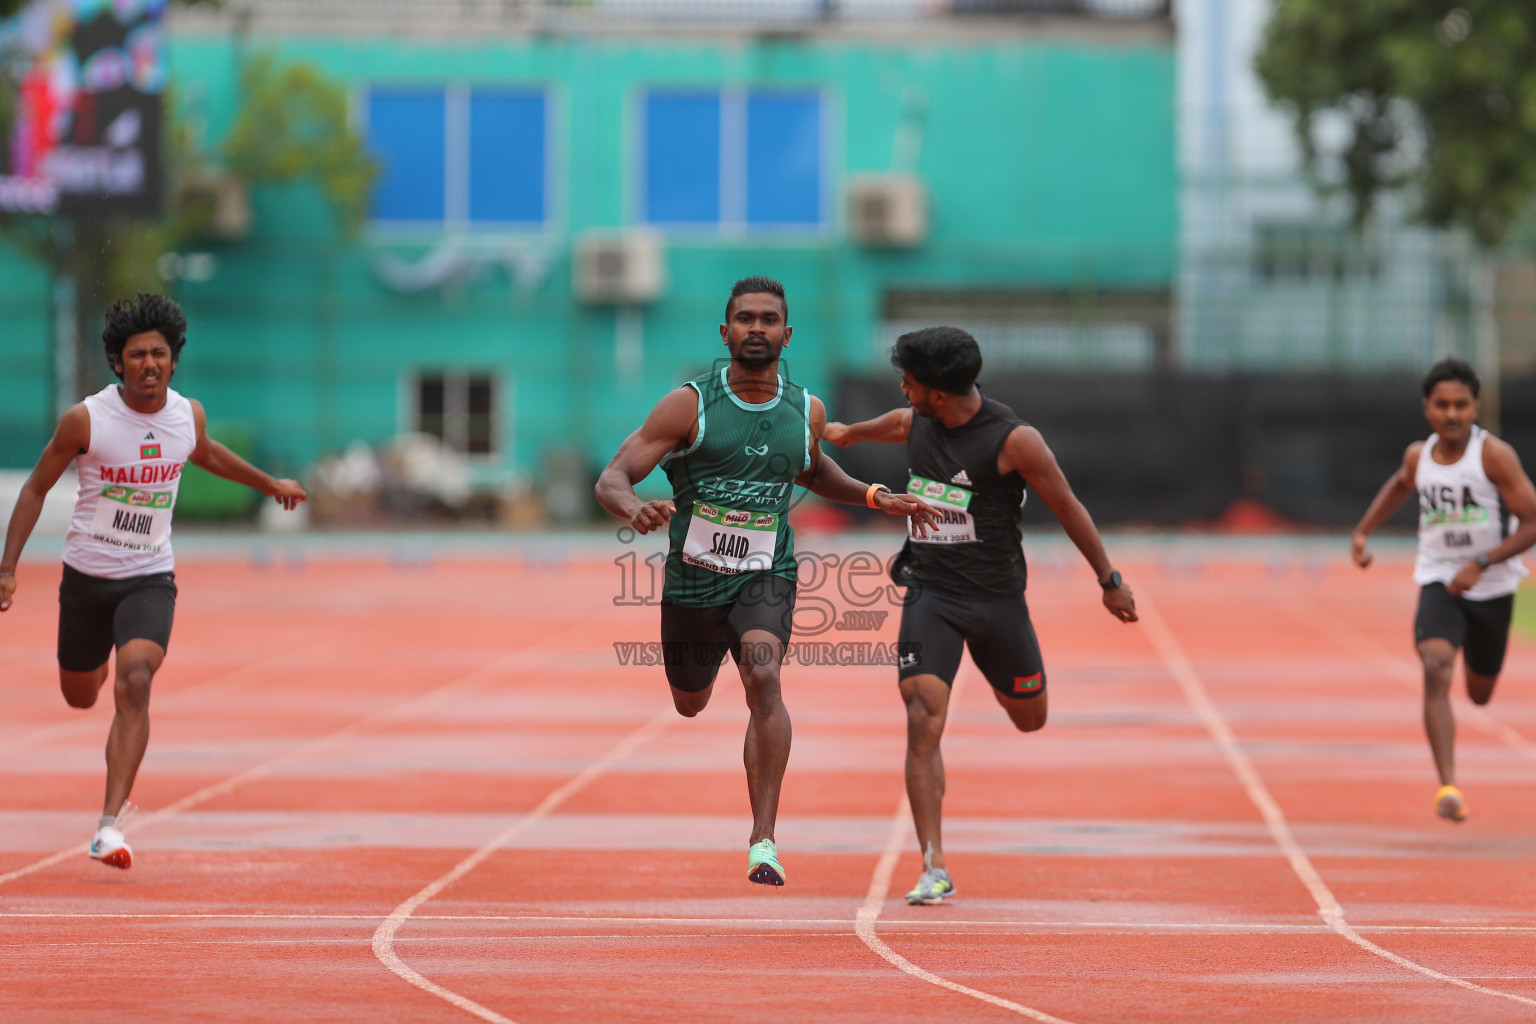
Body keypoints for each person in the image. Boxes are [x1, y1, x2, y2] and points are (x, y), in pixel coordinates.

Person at [595, 276, 938, 887]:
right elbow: (614, 475)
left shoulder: (806, 409)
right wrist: (632, 509)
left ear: (787, 333)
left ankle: (763, 841)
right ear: (726, 333)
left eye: (769, 319)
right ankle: (699, 691)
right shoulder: (689, 405)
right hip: (693, 583)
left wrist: (874, 495)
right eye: (746, 319)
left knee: (763, 672)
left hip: (766, 573)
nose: (757, 328)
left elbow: (813, 468)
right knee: (689, 701)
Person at [824, 326, 1137, 904]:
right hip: (931, 594)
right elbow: (897, 423)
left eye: (909, 384)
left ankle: (1010, 694)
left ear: (937, 393)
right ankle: (933, 864)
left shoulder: (1016, 441)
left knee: (1030, 718)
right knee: (922, 714)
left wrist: (1108, 581)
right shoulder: (918, 419)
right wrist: (846, 433)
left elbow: (1068, 507)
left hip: (997, 602)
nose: (903, 390)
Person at [0, 293, 307, 869]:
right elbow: (37, 487)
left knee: (136, 680)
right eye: (136, 354)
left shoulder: (187, 415)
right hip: (87, 579)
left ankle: (110, 825)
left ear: (173, 360)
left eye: (159, 355)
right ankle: (95, 664)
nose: (149, 364)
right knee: (80, 694)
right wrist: (8, 568)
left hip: (149, 576)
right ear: (118, 363)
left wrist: (271, 485)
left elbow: (208, 454)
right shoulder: (85, 419)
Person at [1351, 357, 1536, 822]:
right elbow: (1399, 485)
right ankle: (1448, 786)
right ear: (1427, 408)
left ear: (1475, 408)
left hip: (1490, 584)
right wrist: (1363, 531)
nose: (1451, 414)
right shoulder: (1419, 456)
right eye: (1442, 405)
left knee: (1478, 694)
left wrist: (1482, 562)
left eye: (1461, 405)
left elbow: (1533, 520)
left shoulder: (1493, 455)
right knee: (1435, 666)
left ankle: (1478, 669)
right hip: (1438, 576)